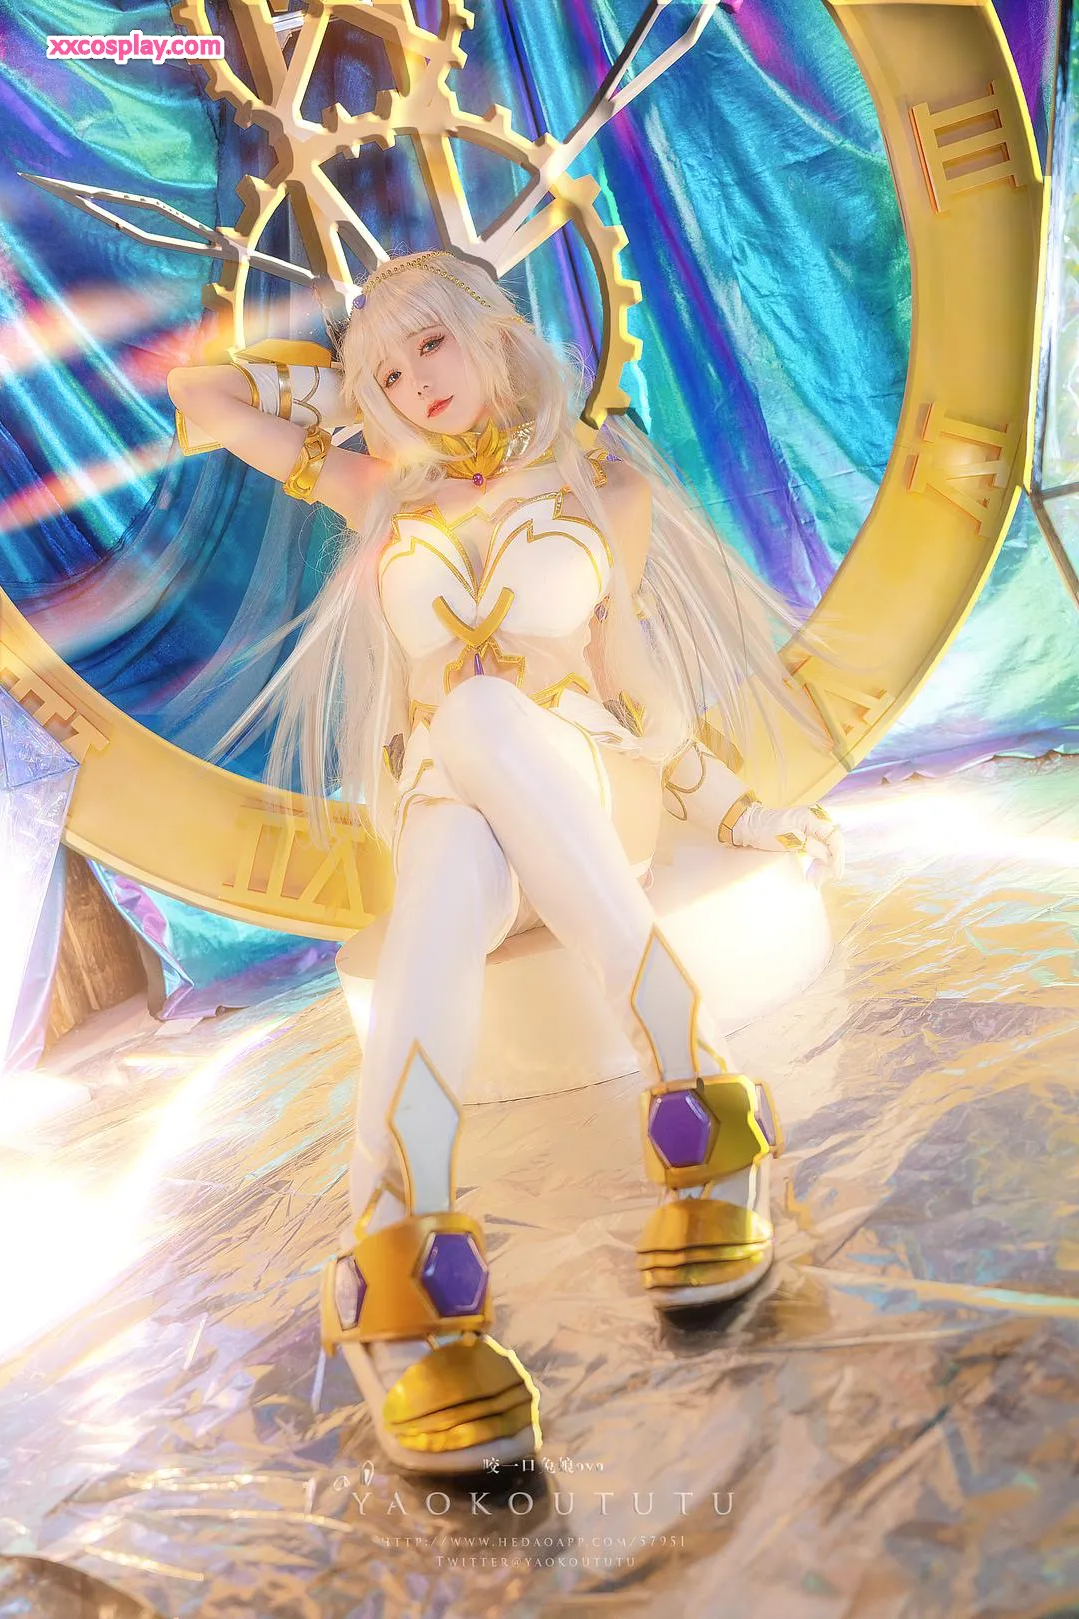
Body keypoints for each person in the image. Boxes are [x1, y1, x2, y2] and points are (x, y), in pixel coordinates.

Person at [167, 247, 844, 1477]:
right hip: (456, 815)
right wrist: (341, 388)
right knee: (442, 833)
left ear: (495, 333)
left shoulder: (604, 487)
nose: (413, 383)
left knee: (479, 717)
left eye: (432, 342)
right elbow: (203, 394)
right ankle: (688, 1110)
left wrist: (738, 811)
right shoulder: (380, 494)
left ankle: (394, 1269)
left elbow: (639, 692)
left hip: (594, 786)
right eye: (387, 371)